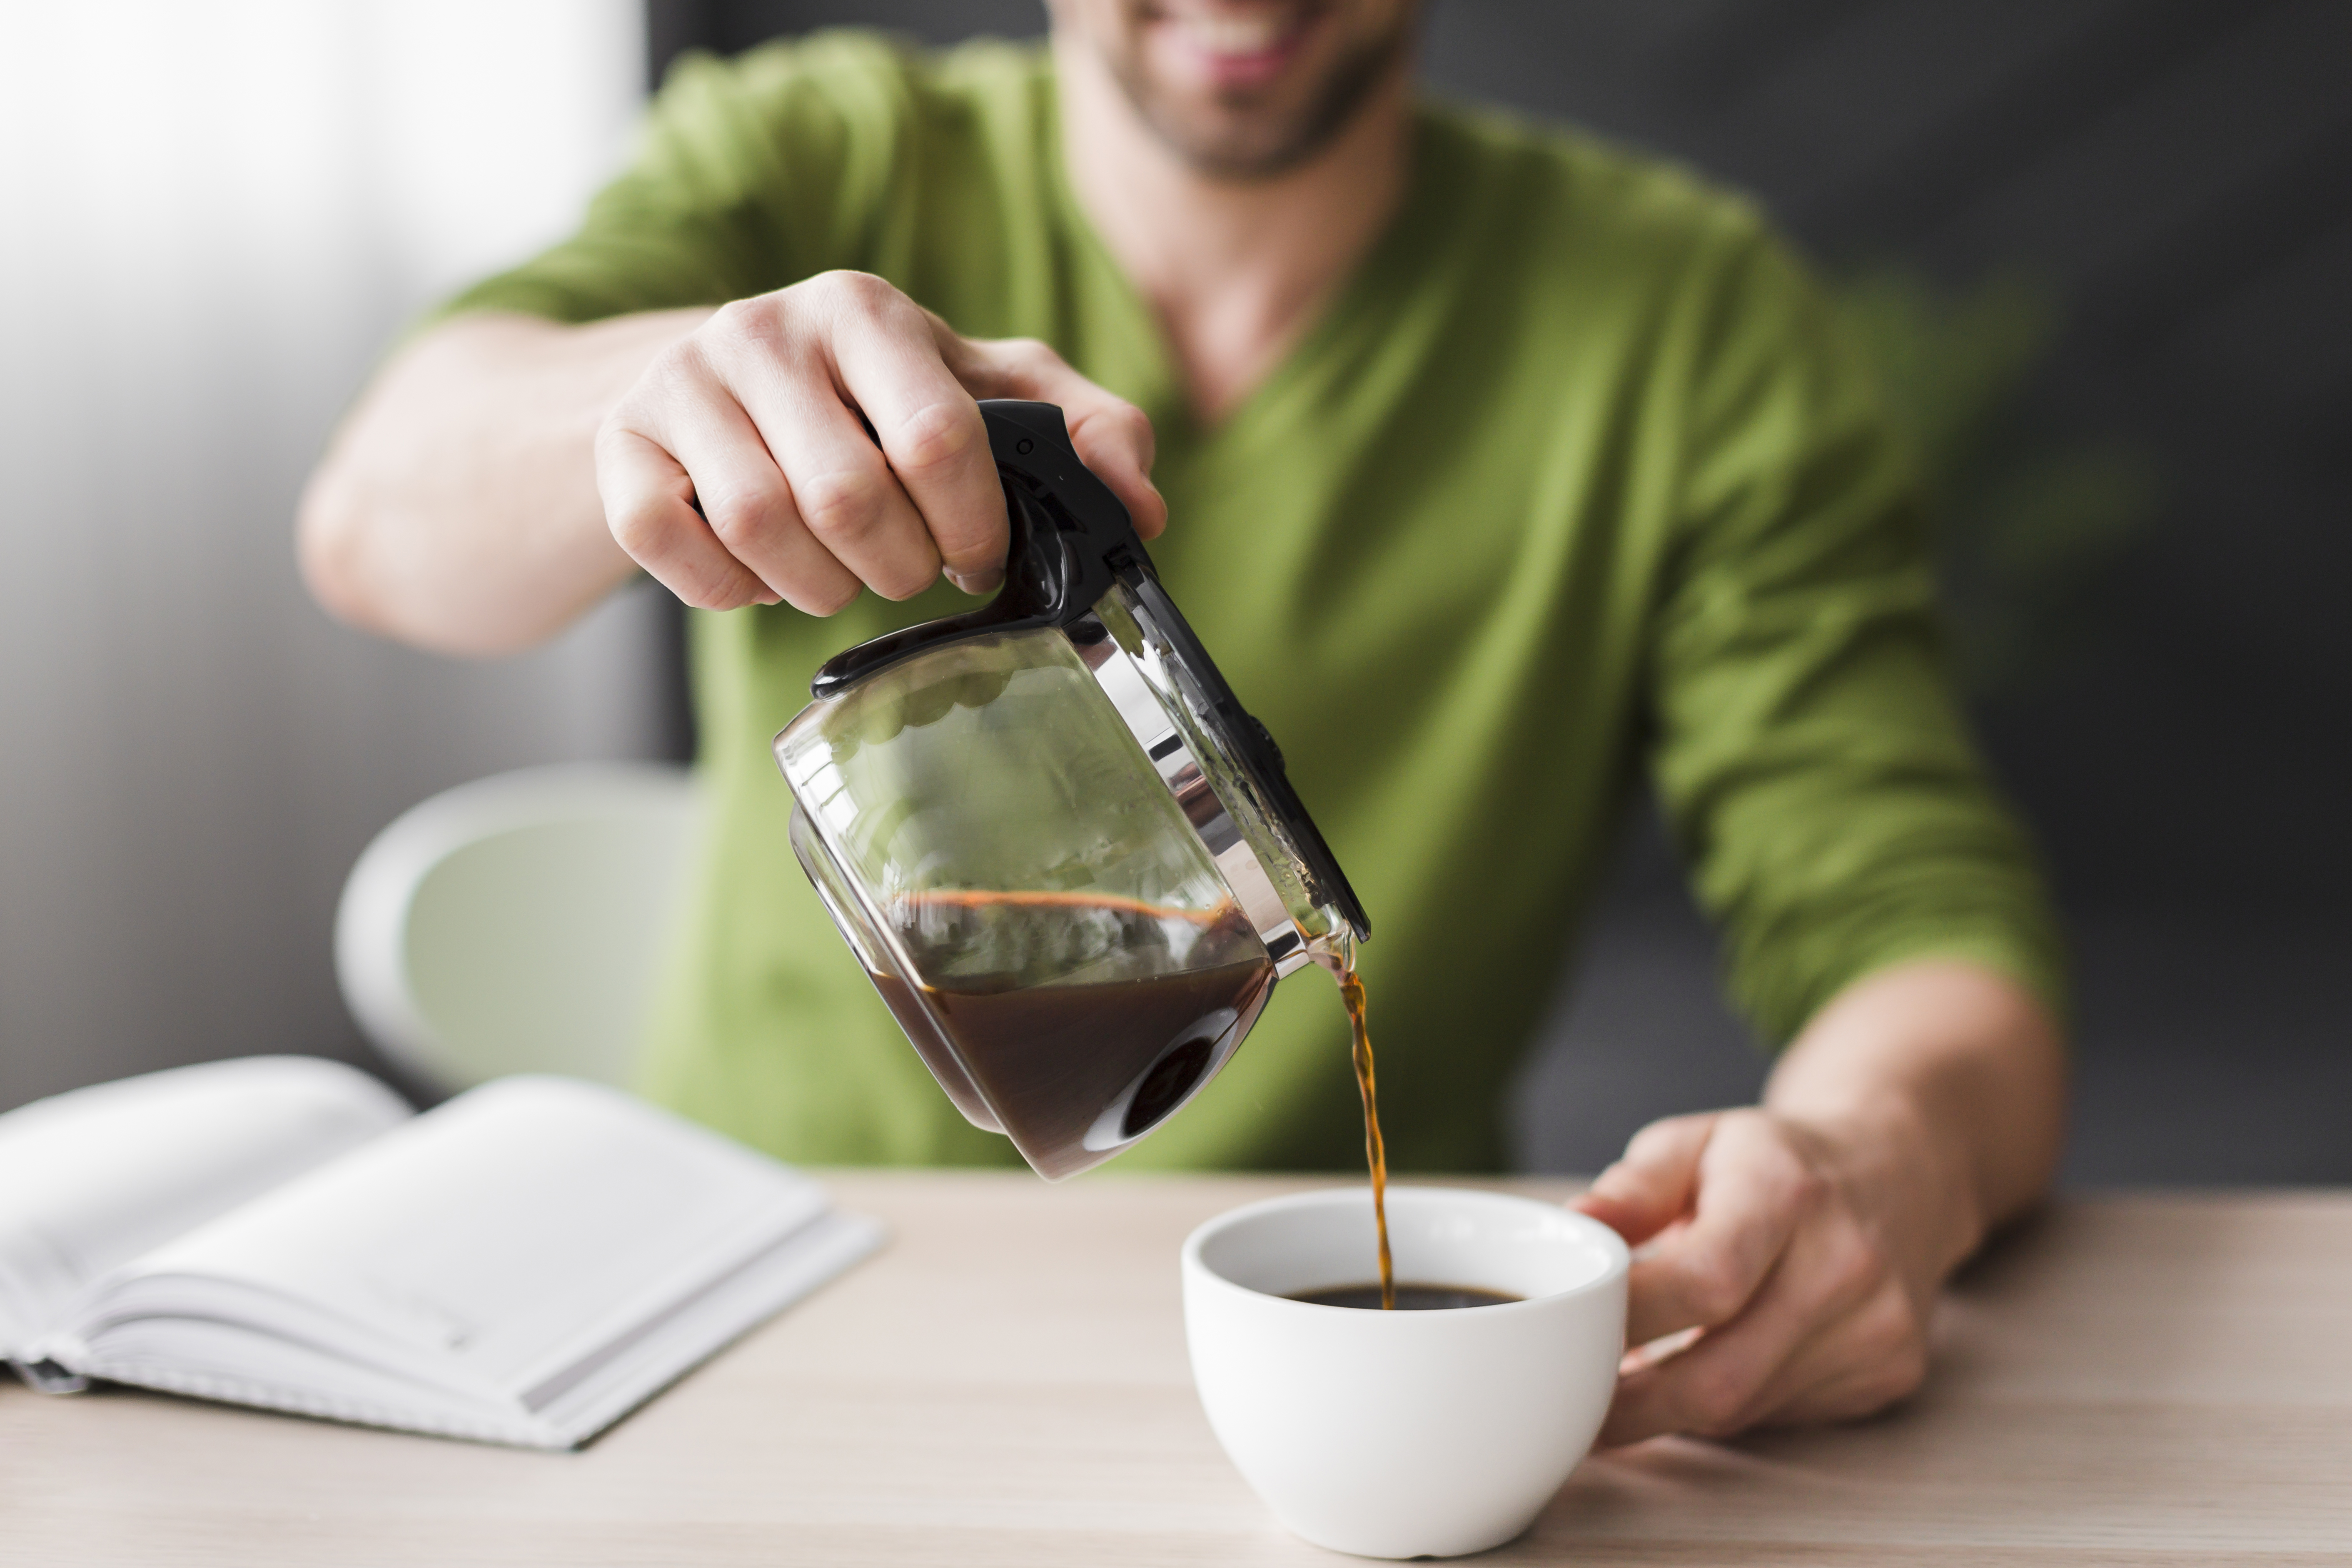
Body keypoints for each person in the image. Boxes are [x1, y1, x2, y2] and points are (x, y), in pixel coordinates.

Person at [299, 1, 2068, 1447]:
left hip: (1345, 1404)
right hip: (730, 1329)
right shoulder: (817, 156)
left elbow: (1906, 916)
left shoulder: (1679, 325)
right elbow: (377, 523)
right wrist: (649, 400)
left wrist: (1873, 1156)